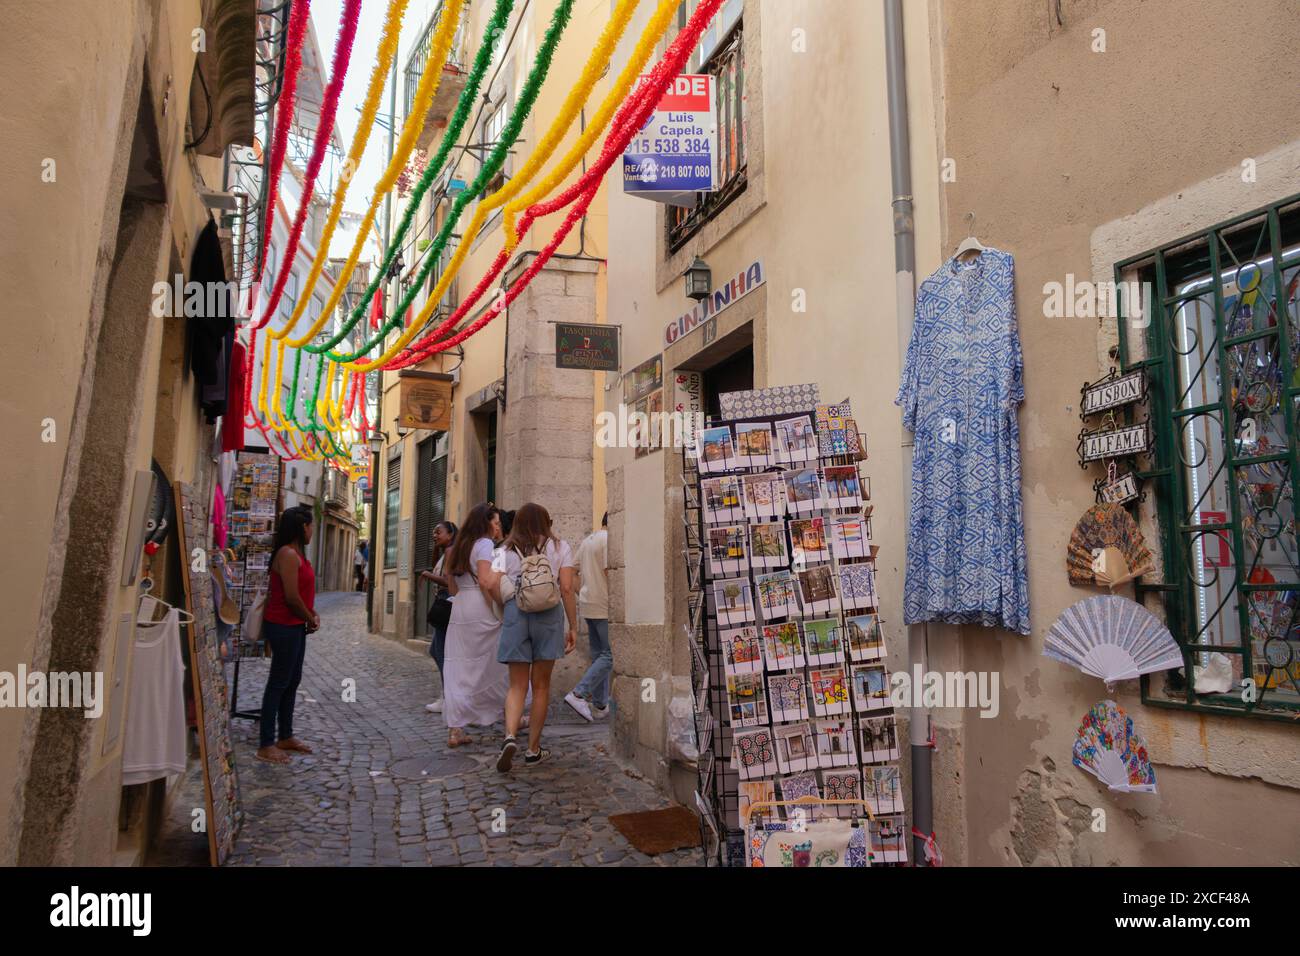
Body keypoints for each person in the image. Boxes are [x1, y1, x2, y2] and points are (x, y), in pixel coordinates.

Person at [488, 503, 577, 772]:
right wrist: (573, 626)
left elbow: (492, 583)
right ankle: (533, 749)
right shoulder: (561, 547)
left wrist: (505, 609)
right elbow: (566, 588)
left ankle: (510, 736)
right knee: (540, 686)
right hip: (549, 615)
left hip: (517, 611)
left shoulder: (503, 550)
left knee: (517, 686)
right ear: (545, 522)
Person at [257, 506, 319, 765]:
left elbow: (301, 595)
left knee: (292, 680)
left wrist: (308, 614)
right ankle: (266, 743)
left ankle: (285, 735)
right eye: (310, 526)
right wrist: (310, 617)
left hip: (295, 625)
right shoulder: (288, 555)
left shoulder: (297, 555)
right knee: (279, 682)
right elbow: (292, 598)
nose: (312, 531)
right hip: (283, 625)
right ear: (302, 527)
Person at [442, 504, 507, 748]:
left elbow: (452, 586)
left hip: (460, 607)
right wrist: (495, 608)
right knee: (494, 662)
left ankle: (455, 728)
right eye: (496, 522)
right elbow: (485, 581)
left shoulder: (460, 545)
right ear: (485, 522)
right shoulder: (485, 545)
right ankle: (509, 713)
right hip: (479, 605)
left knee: (460, 666)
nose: (498, 526)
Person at [565, 513, 610, 722]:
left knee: (599, 656)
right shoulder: (609, 540)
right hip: (603, 604)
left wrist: (581, 592)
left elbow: (571, 571)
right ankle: (578, 693)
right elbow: (610, 572)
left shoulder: (588, 540)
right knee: (610, 656)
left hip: (588, 603)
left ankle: (600, 704)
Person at [419, 520, 457, 713]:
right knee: (436, 650)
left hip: (446, 603)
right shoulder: (446, 552)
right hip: (443, 602)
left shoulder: (451, 551)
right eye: (434, 532)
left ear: (450, 534)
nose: (435, 535)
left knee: (440, 652)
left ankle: (447, 695)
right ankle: (447, 694)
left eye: (438, 532)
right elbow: (438, 567)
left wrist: (426, 575)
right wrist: (436, 549)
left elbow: (447, 581)